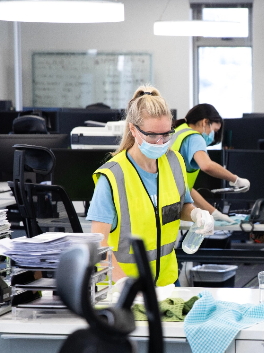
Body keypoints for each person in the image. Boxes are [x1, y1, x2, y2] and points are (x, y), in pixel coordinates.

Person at [87, 85, 215, 286]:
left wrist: (196, 214)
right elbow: (98, 243)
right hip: (121, 290)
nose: (160, 142)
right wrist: (124, 285)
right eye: (152, 135)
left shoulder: (175, 163)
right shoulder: (113, 176)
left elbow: (181, 206)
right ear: (133, 130)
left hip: (165, 284)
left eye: (166, 134)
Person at [171, 103, 250, 222]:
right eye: (214, 130)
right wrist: (235, 179)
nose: (213, 137)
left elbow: (186, 188)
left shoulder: (178, 131)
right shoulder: (194, 137)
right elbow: (207, 165)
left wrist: (214, 213)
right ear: (205, 122)